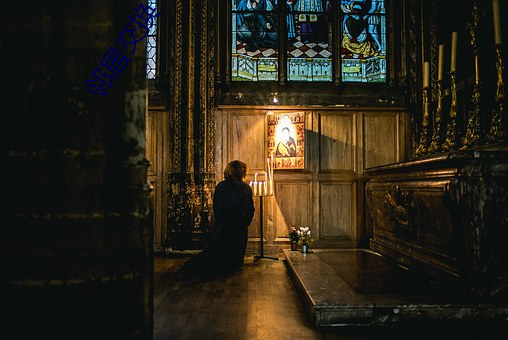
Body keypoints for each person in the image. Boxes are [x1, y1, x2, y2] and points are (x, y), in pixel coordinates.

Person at [180, 160, 255, 276]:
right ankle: (235, 264)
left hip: (222, 224)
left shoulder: (220, 186)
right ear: (241, 172)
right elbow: (249, 208)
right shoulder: (245, 188)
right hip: (238, 225)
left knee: (217, 250)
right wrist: (245, 223)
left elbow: (216, 206)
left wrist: (220, 220)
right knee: (237, 247)